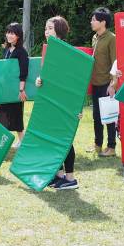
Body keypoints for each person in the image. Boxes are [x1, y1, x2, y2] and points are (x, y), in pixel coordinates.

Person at [35, 16, 80, 190]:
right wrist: (40, 80)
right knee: (54, 139)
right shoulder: (51, 50)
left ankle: (70, 179)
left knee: (64, 140)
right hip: (51, 102)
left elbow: (72, 80)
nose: (46, 32)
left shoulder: (66, 52)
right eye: (45, 28)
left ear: (59, 31)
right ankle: (59, 175)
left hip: (63, 103)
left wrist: (74, 106)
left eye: (50, 28)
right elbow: (50, 76)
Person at [0, 22, 29, 157]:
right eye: (8, 32)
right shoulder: (7, 50)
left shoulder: (21, 52)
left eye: (12, 33)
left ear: (18, 35)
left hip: (16, 90)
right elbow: (4, 68)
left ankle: (23, 144)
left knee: (17, 119)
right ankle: (0, 144)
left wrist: (21, 90)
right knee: (1, 116)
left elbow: (24, 72)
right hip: (5, 91)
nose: (9, 35)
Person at [89, 7, 117, 156]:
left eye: (94, 20)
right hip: (95, 83)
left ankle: (111, 147)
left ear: (103, 22)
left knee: (110, 117)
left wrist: (113, 85)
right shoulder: (94, 37)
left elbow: (115, 62)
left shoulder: (112, 38)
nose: (91, 22)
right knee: (96, 116)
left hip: (107, 84)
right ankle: (98, 145)